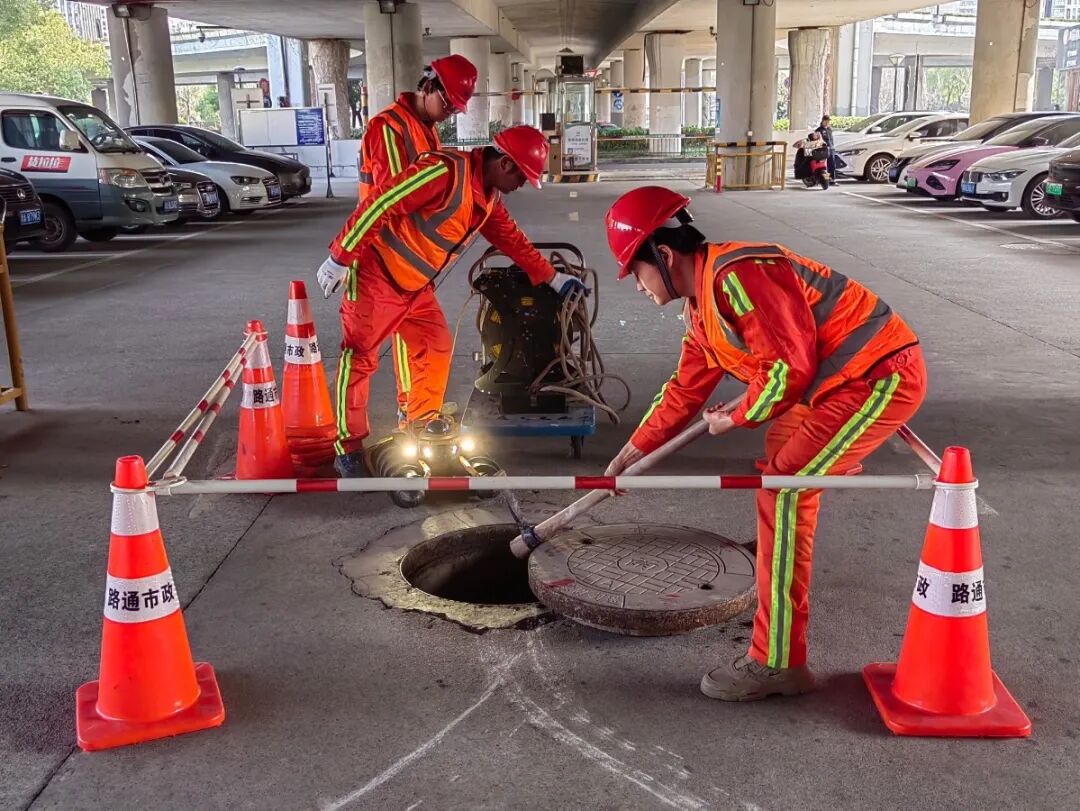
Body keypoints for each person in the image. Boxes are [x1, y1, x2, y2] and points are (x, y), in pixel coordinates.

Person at [602, 186, 926, 701]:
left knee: (782, 491)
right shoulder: (701, 305)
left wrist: (740, 415)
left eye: (633, 272)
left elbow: (788, 370)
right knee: (779, 467)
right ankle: (780, 554)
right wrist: (626, 458)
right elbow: (684, 391)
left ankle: (778, 662)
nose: (635, 287)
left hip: (873, 379)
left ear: (663, 256)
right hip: (829, 387)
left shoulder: (737, 274)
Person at [316, 126, 586, 477]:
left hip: (416, 288)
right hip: (376, 278)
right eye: (522, 175)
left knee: (435, 346)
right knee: (360, 358)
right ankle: (348, 448)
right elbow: (382, 201)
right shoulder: (444, 171)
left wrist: (554, 277)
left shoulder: (488, 199)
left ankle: (422, 426)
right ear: (505, 163)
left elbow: (512, 240)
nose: (522, 184)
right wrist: (340, 256)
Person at [357, 54, 480, 424]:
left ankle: (417, 411)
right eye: (447, 104)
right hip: (381, 254)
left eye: (455, 109)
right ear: (428, 86)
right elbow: (392, 197)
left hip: (407, 256)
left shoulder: (425, 126)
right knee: (375, 348)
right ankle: (407, 414)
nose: (449, 113)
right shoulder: (388, 128)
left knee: (425, 339)